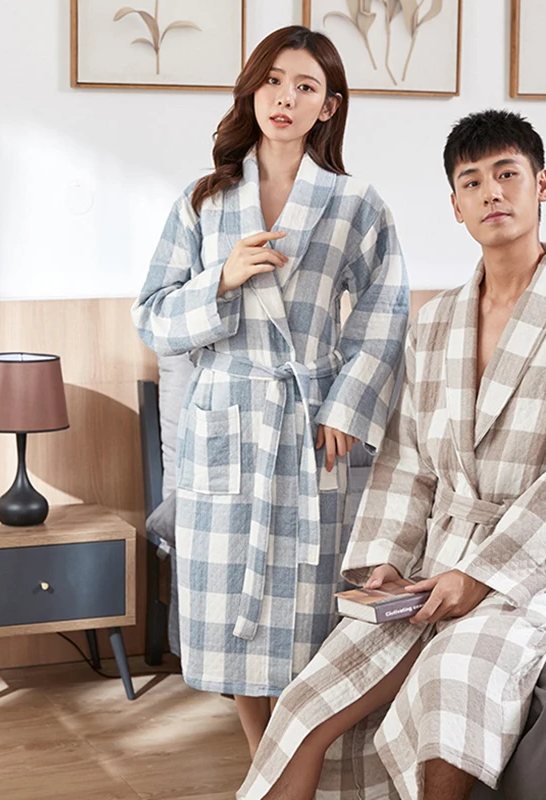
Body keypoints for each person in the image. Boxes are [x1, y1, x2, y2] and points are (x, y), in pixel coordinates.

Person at [237, 109, 546, 799]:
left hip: (531, 570)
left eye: (507, 174)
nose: (492, 193)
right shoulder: (435, 322)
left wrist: (478, 577)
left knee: (451, 683)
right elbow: (407, 461)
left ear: (541, 185)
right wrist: (389, 563)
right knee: (306, 702)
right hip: (432, 558)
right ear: (456, 205)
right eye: (472, 182)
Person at [131, 26, 409, 758]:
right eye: (273, 80)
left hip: (312, 424)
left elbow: (386, 315)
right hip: (225, 420)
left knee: (309, 609)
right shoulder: (204, 200)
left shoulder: (356, 203)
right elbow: (152, 317)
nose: (286, 97)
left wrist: (346, 405)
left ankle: (290, 765)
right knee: (232, 612)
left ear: (329, 106)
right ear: (252, 90)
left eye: (306, 86)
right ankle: (269, 768)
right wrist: (220, 280)